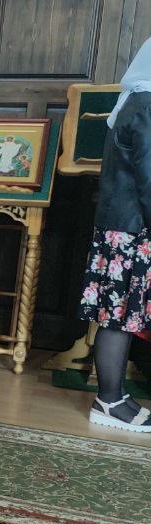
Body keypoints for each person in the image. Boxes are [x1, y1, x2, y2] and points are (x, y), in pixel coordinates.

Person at [79, 37, 151, 433]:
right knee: (118, 315)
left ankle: (113, 397)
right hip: (131, 229)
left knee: (118, 313)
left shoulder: (134, 103)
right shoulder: (147, 105)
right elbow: (149, 177)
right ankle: (109, 400)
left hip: (122, 226)